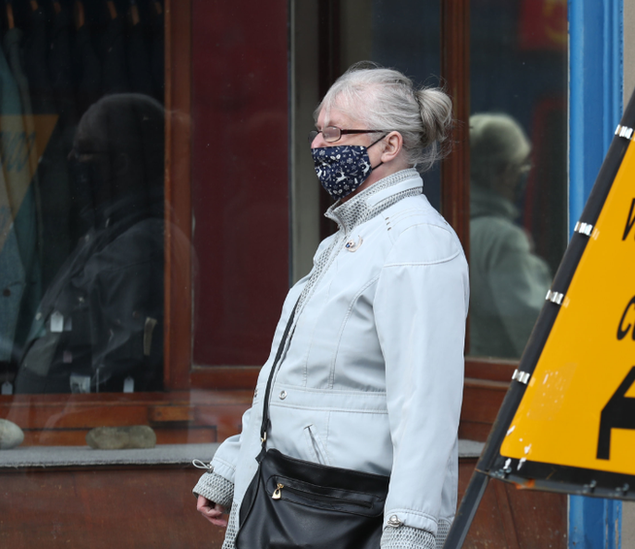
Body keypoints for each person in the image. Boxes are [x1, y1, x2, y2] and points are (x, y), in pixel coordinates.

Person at [193, 63, 468, 549]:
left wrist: (411, 534)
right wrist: (233, 468)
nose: (320, 145)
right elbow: (295, 380)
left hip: (339, 514)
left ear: (390, 145)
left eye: (336, 131)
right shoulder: (345, 241)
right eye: (318, 131)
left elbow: (425, 408)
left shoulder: (416, 242)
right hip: (290, 498)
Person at [14, 93, 166, 394]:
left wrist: (60, 421)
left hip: (80, 428)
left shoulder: (138, 247)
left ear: (121, 164)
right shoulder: (104, 231)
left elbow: (115, 372)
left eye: (84, 151)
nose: (71, 160)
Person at [468, 113, 551, 359]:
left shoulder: (453, 229)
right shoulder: (503, 239)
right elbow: (533, 335)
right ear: (505, 171)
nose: (525, 175)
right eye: (523, 166)